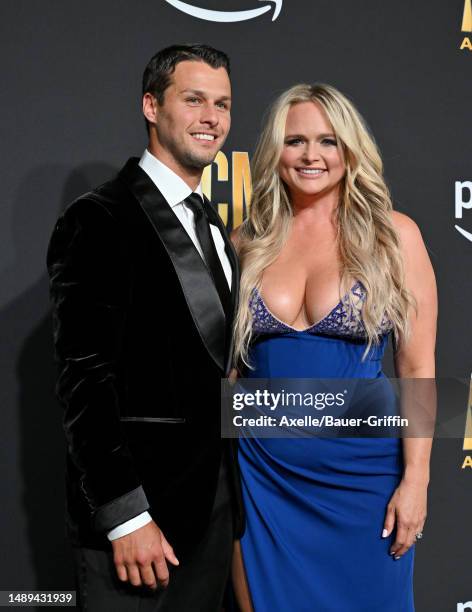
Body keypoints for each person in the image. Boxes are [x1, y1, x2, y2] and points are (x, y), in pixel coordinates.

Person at [46, 44, 244, 611]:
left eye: (223, 104)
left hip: (215, 516)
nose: (212, 118)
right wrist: (124, 515)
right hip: (139, 525)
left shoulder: (217, 229)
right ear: (151, 106)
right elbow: (84, 381)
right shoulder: (99, 218)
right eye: (195, 100)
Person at [230, 83, 436, 611]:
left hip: (364, 482)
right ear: (275, 151)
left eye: (327, 141)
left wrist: (416, 481)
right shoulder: (244, 243)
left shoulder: (394, 236)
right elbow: (227, 373)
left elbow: (416, 367)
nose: (311, 155)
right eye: (295, 140)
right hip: (263, 480)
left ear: (350, 149)